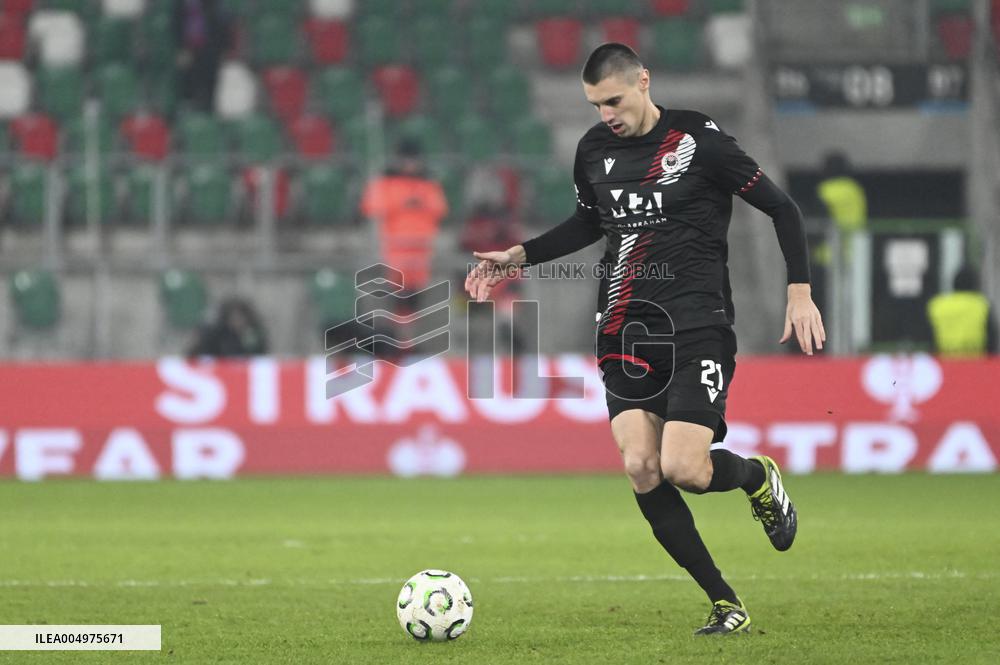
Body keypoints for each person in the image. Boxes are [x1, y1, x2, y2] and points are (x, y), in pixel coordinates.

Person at [464, 44, 825, 635]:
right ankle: (724, 602)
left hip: (698, 325)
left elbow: (783, 209)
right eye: (595, 105)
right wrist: (519, 256)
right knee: (640, 465)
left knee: (684, 468)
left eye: (613, 100)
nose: (605, 114)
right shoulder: (593, 151)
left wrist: (800, 291)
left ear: (643, 82)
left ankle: (757, 478)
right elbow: (589, 222)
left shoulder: (699, 140)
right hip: (624, 328)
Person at [360, 138, 449, 301]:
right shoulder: (385, 182)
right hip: (395, 246)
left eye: (413, 160)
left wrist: (417, 203)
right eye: (406, 160)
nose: (410, 165)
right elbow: (371, 207)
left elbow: (440, 208)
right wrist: (403, 203)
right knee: (396, 291)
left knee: (417, 292)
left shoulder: (428, 183)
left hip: (421, 246)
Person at [173, 0, 233, 114]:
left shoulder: (215, 4)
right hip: (190, 49)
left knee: (210, 83)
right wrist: (181, 47)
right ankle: (191, 111)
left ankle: (209, 111)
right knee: (190, 82)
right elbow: (177, 23)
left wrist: (225, 48)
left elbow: (223, 24)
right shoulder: (183, 4)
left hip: (212, 49)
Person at [927, 264, 998, 356]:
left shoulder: (936, 305)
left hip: (944, 360)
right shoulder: (981, 305)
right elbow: (992, 337)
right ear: (975, 284)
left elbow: (928, 337)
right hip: (976, 361)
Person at [188, 298, 269, 357]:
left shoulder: (252, 334)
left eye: (240, 318)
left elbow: (259, 354)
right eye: (234, 319)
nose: (237, 322)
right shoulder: (219, 336)